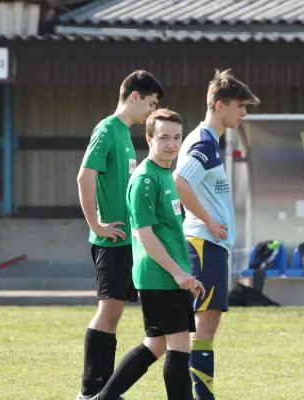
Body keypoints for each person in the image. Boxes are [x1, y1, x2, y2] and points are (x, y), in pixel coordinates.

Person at [98, 109, 206, 400]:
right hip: (160, 275)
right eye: (164, 138)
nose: (172, 144)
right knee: (179, 345)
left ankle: (104, 397)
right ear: (149, 139)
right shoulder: (145, 179)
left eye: (176, 137)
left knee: (155, 344)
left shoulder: (165, 174)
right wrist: (179, 273)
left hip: (169, 274)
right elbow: (144, 235)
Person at [75, 70, 164, 400]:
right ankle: (89, 391)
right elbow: (84, 177)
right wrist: (96, 225)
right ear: (135, 96)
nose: (151, 113)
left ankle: (104, 388)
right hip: (109, 241)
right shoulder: (107, 129)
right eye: (151, 104)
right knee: (108, 311)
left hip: (127, 241)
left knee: (115, 313)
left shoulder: (125, 134)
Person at [173, 69, 260, 400]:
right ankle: (201, 396)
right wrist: (209, 221)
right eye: (240, 105)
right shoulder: (203, 141)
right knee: (202, 325)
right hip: (204, 244)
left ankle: (198, 394)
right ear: (220, 105)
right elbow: (180, 183)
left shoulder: (210, 140)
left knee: (204, 325)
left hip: (211, 245)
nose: (244, 113)